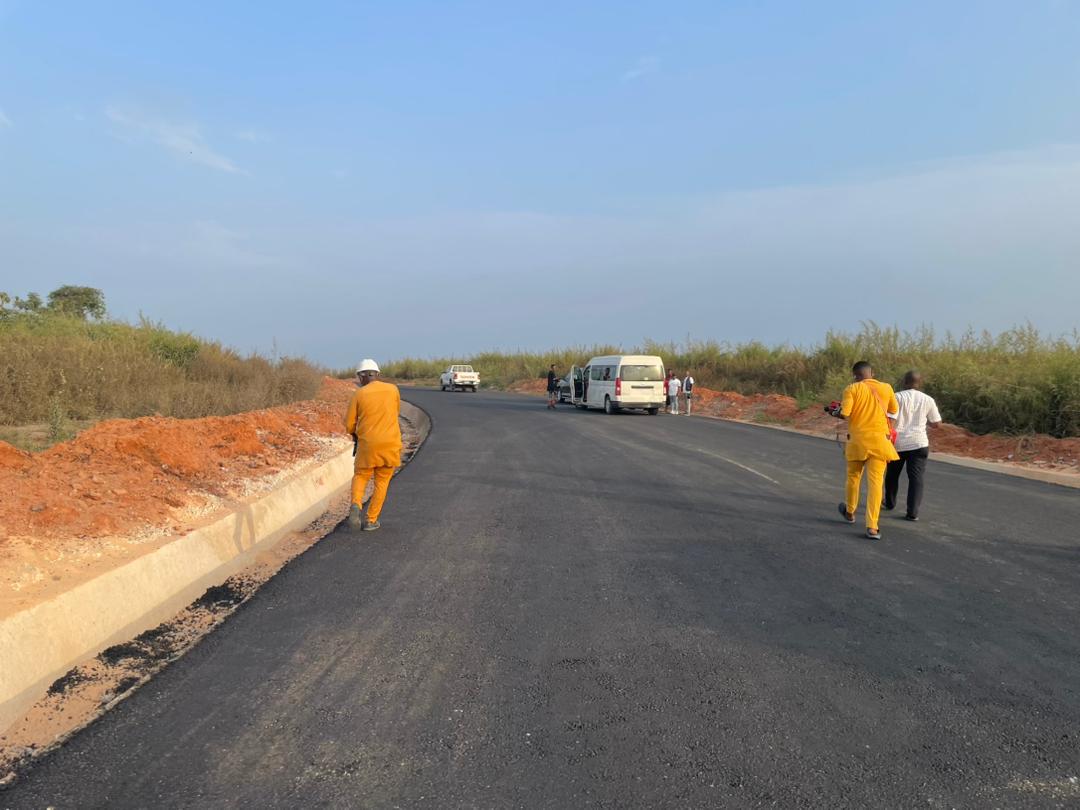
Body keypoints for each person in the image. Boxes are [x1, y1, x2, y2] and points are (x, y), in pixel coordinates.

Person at [829, 360, 899, 540]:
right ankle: (873, 527)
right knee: (875, 483)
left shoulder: (852, 389)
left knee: (853, 477)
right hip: (879, 442)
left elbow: (845, 413)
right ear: (872, 373)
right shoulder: (886, 388)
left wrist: (834, 412)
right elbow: (893, 409)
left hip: (858, 442)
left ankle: (850, 512)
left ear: (855, 375)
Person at [344, 358, 402, 532]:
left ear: (361, 377)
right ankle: (371, 520)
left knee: (361, 476)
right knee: (382, 482)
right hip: (391, 444)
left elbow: (349, 424)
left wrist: (355, 431)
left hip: (368, 445)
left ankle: (355, 505)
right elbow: (396, 412)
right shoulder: (393, 390)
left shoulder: (359, 394)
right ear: (377, 374)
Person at [884, 370, 942, 521]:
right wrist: (924, 421)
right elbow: (937, 424)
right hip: (919, 443)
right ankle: (912, 512)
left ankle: (890, 502)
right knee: (916, 478)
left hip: (898, 443)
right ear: (920, 383)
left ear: (905, 381)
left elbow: (890, 420)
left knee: (892, 475)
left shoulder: (896, 397)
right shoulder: (928, 399)